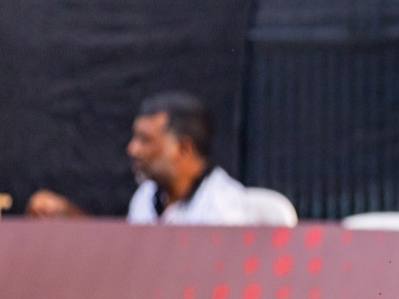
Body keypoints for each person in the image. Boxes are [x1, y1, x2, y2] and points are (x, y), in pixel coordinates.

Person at [26, 92, 253, 224]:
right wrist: (67, 215)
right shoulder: (146, 196)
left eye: (145, 140)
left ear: (184, 149)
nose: (132, 149)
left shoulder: (227, 210)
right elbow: (124, 257)